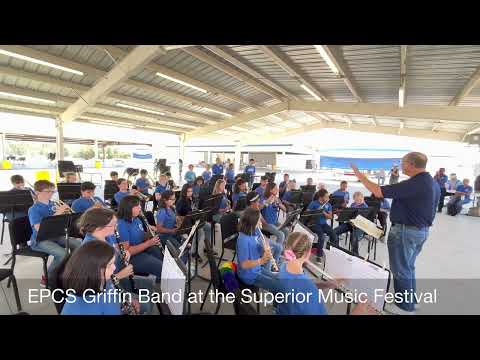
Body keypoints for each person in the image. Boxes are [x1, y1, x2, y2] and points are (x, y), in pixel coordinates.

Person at [351, 151, 436, 315]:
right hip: (420, 231)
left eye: (403, 163)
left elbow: (378, 191)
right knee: (408, 268)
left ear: (411, 164)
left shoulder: (415, 183)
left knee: (401, 270)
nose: (400, 166)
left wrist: (359, 174)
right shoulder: (429, 182)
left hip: (406, 231)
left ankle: (404, 308)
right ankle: (409, 301)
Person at [276, 232, 375, 315]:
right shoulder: (309, 292)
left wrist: (326, 284)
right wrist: (358, 311)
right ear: (307, 253)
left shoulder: (283, 267)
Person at [79, 207, 153, 314]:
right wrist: (120, 275)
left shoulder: (107, 236)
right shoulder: (90, 250)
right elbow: (94, 284)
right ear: (99, 227)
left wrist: (125, 252)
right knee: (145, 304)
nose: (116, 227)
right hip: (106, 289)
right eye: (113, 225)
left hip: (116, 279)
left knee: (149, 284)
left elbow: (116, 248)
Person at [28, 180, 82, 286]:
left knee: (78, 244)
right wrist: (58, 213)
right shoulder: (34, 209)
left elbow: (63, 221)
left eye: (52, 191)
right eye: (48, 191)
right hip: (40, 239)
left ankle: (68, 270)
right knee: (63, 254)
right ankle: (47, 277)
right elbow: (39, 228)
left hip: (55, 235)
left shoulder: (53, 204)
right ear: (37, 192)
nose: (51, 194)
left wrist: (67, 215)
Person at [59, 240, 125, 315]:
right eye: (110, 264)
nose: (114, 268)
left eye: (113, 263)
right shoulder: (82, 310)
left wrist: (122, 304)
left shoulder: (104, 279)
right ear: (93, 270)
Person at [117, 195, 163, 279]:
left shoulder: (137, 219)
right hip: (130, 258)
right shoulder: (121, 225)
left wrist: (149, 233)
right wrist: (149, 243)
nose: (140, 208)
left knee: (159, 254)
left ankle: (160, 280)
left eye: (140, 205)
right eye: (137, 206)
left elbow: (141, 236)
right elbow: (126, 251)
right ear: (128, 208)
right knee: (159, 266)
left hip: (141, 249)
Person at [236, 208, 281, 292]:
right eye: (259, 220)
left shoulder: (255, 231)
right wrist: (262, 260)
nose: (261, 222)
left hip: (256, 269)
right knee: (278, 286)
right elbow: (244, 265)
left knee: (280, 278)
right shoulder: (243, 240)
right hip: (249, 275)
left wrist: (264, 249)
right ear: (252, 222)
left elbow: (255, 251)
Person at [175, 184, 212, 258]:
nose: (190, 193)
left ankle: (207, 247)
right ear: (184, 192)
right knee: (200, 231)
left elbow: (193, 210)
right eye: (188, 191)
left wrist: (197, 211)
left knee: (208, 226)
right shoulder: (181, 201)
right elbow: (179, 215)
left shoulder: (191, 199)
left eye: (191, 191)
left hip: (193, 220)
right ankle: (194, 252)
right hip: (186, 222)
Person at [306, 189, 338, 260]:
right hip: (314, 224)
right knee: (322, 237)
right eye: (326, 197)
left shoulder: (328, 204)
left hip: (323, 224)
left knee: (334, 235)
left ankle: (331, 251)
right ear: (321, 197)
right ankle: (319, 255)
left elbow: (330, 216)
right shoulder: (313, 203)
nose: (328, 198)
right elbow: (307, 214)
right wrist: (316, 211)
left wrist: (323, 212)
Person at [259, 182, 289, 247]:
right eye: (275, 188)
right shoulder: (263, 198)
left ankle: (282, 249)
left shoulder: (276, 198)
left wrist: (278, 203)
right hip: (266, 223)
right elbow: (258, 208)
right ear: (270, 190)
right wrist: (267, 201)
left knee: (286, 230)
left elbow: (285, 209)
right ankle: (277, 252)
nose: (277, 190)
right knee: (281, 235)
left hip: (275, 222)